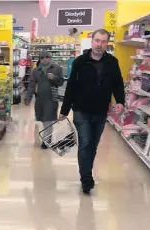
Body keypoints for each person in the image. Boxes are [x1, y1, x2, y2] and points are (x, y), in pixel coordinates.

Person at [59, 29, 125, 194]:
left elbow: (118, 83)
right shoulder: (80, 62)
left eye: (103, 41)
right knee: (86, 143)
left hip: (101, 111)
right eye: (97, 40)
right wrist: (64, 110)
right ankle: (86, 179)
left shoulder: (112, 62)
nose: (99, 45)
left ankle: (86, 172)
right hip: (81, 110)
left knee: (93, 146)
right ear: (91, 41)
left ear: (107, 44)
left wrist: (120, 101)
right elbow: (71, 87)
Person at [25, 50, 64, 149]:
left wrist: (54, 78)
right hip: (40, 99)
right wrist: (28, 98)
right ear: (40, 59)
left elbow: (60, 82)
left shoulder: (57, 68)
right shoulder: (36, 71)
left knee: (48, 120)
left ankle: (46, 141)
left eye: (47, 57)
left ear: (50, 58)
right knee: (42, 119)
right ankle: (47, 138)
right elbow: (32, 85)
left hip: (51, 98)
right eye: (42, 58)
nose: (44, 59)